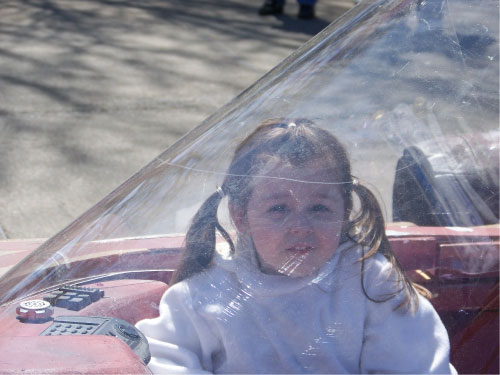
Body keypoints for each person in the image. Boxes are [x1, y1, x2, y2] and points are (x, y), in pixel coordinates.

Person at [136, 119, 456, 374]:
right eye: (278, 209)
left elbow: (419, 366)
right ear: (240, 215)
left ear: (345, 214)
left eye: (319, 209)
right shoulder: (203, 293)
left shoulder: (374, 286)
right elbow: (162, 359)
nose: (301, 227)